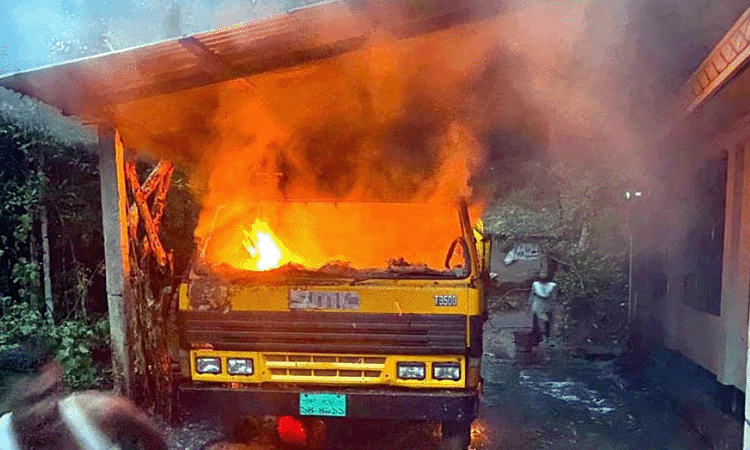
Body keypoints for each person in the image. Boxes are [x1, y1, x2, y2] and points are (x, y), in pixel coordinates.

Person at [0, 362, 167, 450]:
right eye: (31, 401)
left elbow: (150, 433)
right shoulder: (3, 439)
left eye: (49, 393)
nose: (46, 408)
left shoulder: (99, 412)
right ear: (6, 404)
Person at [529, 275, 558, 345]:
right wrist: (530, 303)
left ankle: (545, 338)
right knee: (538, 323)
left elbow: (554, 297)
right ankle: (539, 338)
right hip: (539, 305)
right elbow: (532, 295)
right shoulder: (536, 285)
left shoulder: (552, 286)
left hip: (545, 305)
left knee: (545, 322)